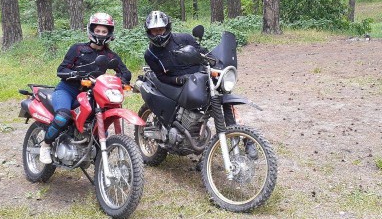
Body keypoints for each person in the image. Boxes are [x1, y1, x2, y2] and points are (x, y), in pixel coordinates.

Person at [143, 10, 257, 159]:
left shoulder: (184, 38)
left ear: (167, 28)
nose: (158, 34)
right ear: (149, 32)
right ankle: (183, 133)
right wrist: (176, 80)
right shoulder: (150, 54)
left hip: (200, 77)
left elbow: (204, 53)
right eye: (154, 31)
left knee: (226, 102)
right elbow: (160, 76)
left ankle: (246, 139)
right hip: (179, 83)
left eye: (160, 30)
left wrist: (216, 62)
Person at [39, 12, 131, 164]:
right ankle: (46, 145)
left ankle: (94, 156)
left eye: (104, 31)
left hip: (92, 94)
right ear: (91, 30)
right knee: (62, 116)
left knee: (98, 122)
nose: (100, 34)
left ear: (109, 33)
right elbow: (61, 70)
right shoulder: (77, 49)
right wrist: (75, 74)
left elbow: (125, 72)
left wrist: (122, 80)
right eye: (98, 30)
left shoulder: (110, 55)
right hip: (68, 90)